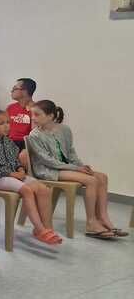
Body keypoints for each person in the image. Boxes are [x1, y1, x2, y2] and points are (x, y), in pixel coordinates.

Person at [28, 100, 126, 238]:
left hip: (65, 167)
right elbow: (47, 161)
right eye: (32, 114)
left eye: (37, 114)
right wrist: (75, 168)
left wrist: (80, 166)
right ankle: (91, 223)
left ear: (50, 116)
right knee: (91, 180)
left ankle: (103, 218)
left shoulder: (64, 130)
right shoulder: (34, 135)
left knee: (102, 177)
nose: (33, 118)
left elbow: (70, 152)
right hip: (47, 170)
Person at [0, 110, 61, 245]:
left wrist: (20, 169)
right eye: (1, 123)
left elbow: (15, 161)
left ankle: (47, 228)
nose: (6, 126)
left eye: (8, 122)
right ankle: (40, 230)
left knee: (43, 189)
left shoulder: (8, 141)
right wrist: (11, 174)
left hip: (12, 176)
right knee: (26, 190)